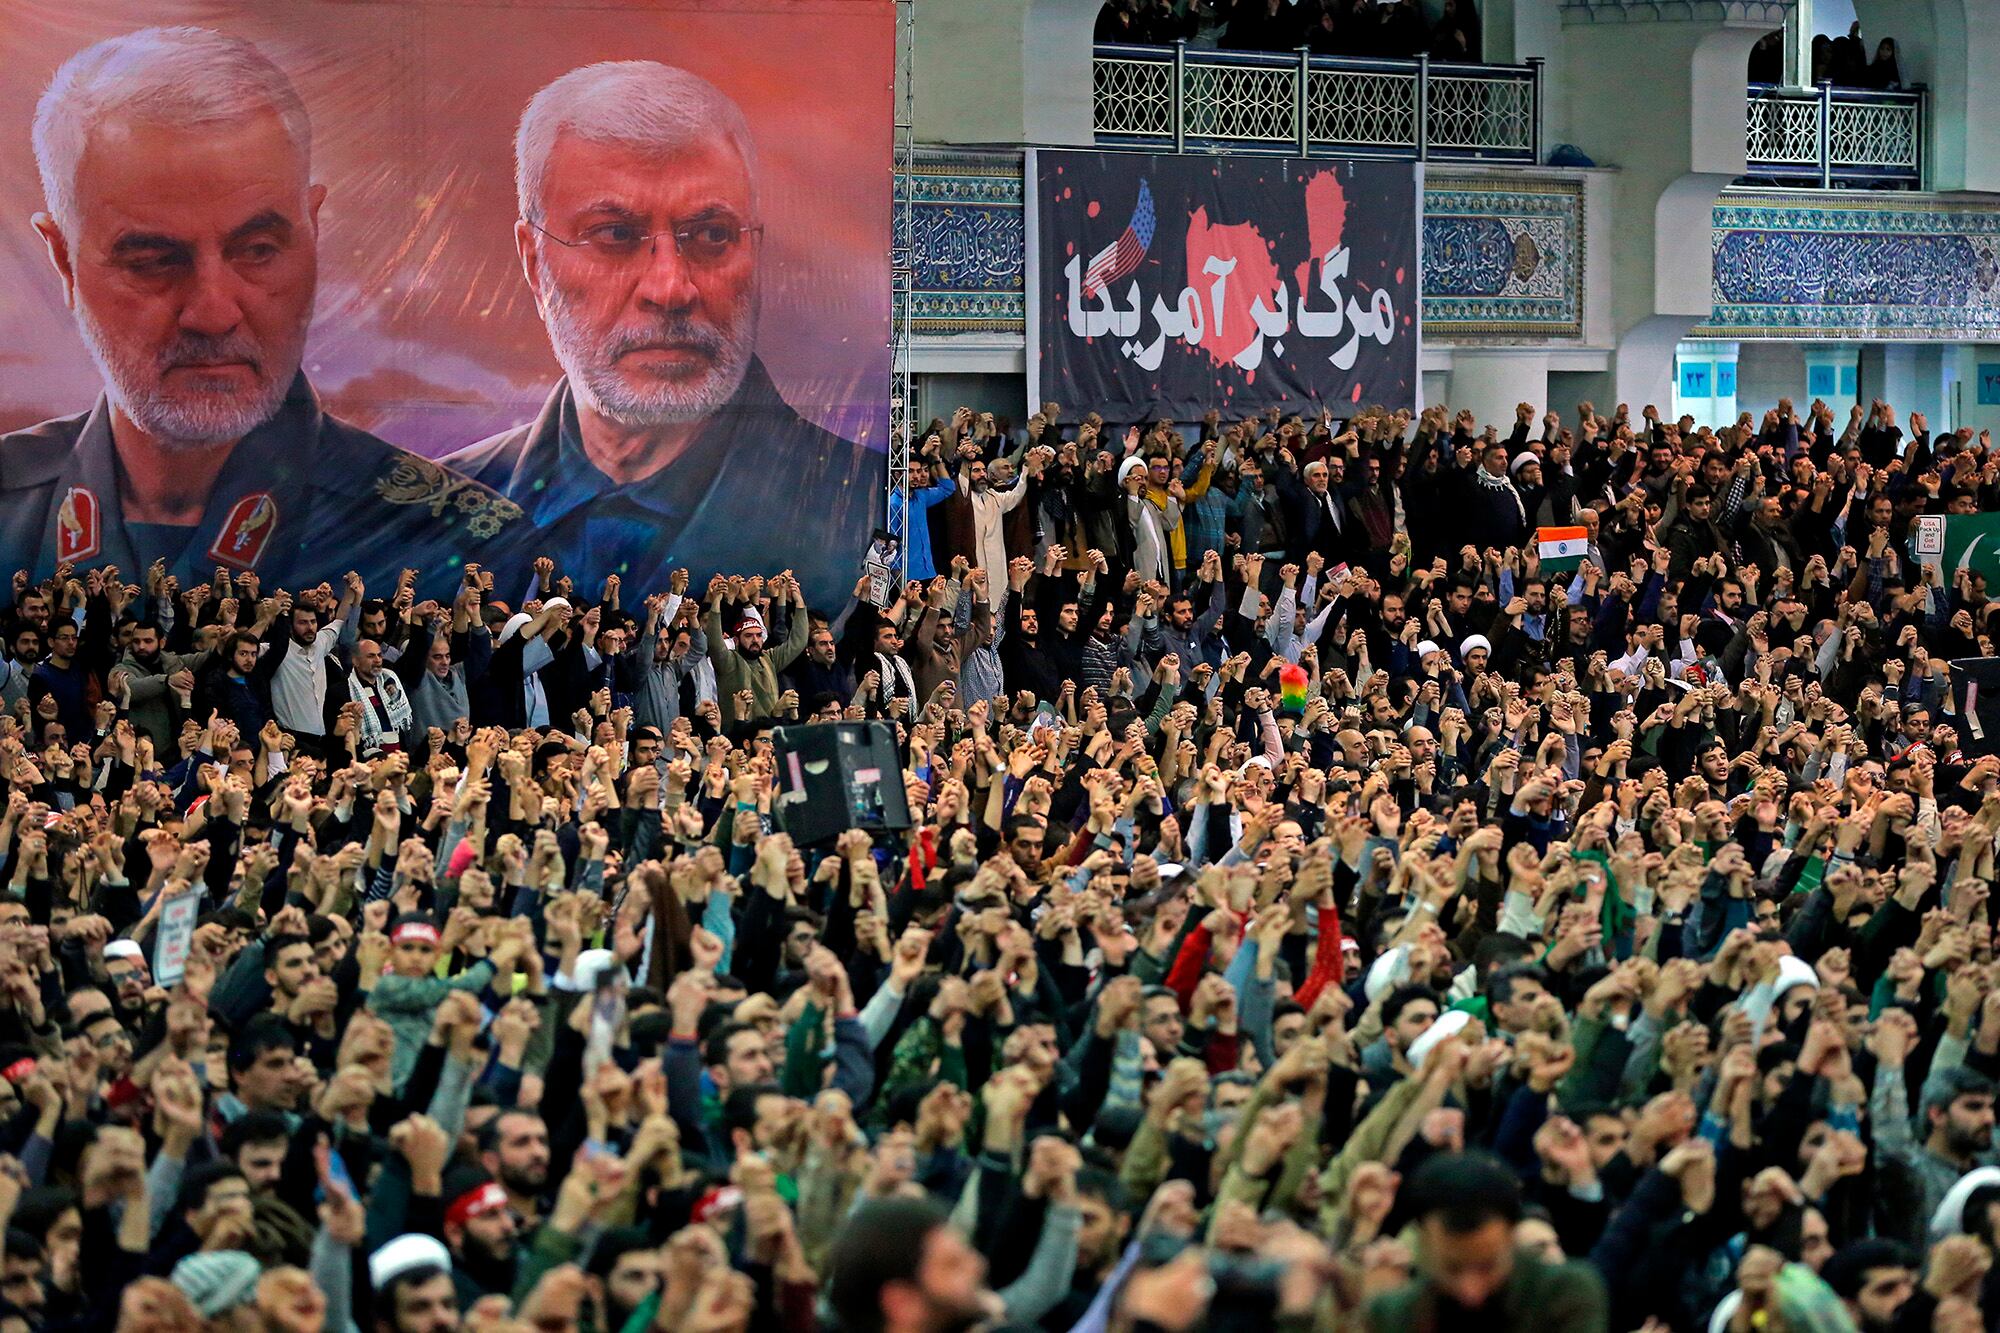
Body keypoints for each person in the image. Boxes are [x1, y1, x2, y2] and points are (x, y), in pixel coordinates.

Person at [5, 26, 522, 594]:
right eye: (154, 261)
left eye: (257, 252)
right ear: (64, 261)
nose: (213, 312)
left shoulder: (467, 548)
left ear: (313, 231)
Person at [443, 60, 878, 607]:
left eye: (712, 234)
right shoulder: (424, 521)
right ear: (534, 261)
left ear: (756, 253)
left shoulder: (868, 510)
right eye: (616, 235)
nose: (670, 288)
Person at [1365, 1151, 1609, 1332]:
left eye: (1487, 1266)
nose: (1471, 1291)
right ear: (1422, 1243)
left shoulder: (1563, 1294)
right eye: (1452, 1268)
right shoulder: (1396, 1315)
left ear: (1513, 1237)